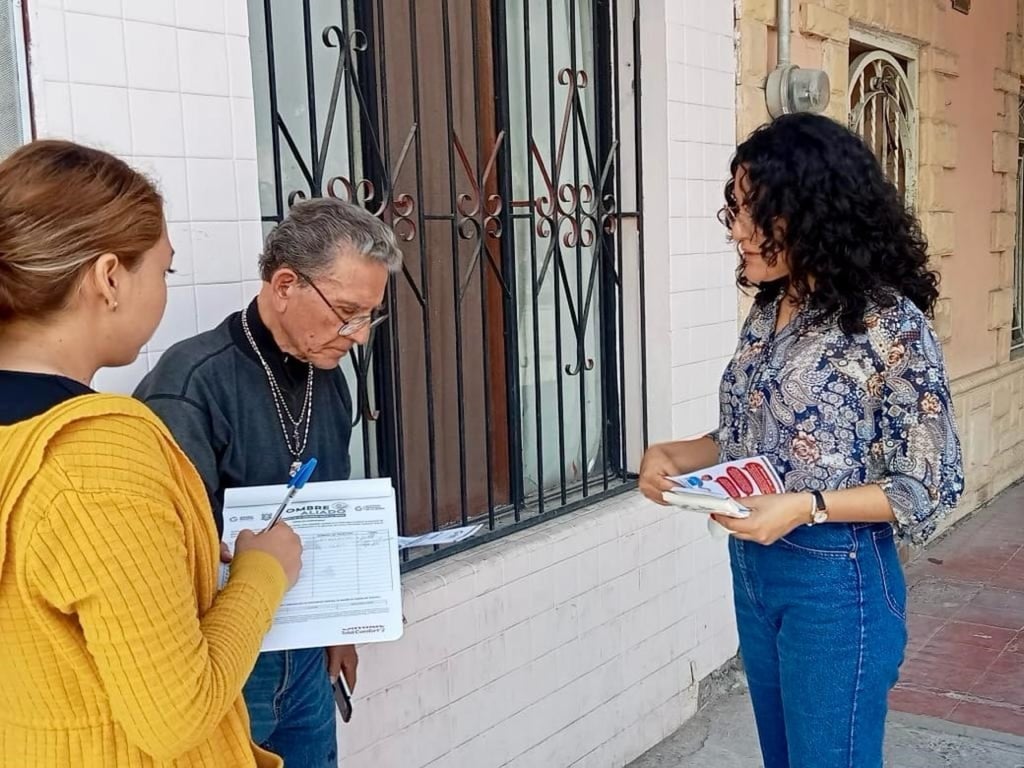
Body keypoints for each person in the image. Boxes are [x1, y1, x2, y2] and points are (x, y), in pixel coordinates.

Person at [639, 113, 964, 768]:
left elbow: (929, 481)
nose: (737, 229)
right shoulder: (771, 308)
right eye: (735, 208)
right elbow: (761, 434)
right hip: (754, 570)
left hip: (835, 579)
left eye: (755, 210)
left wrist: (806, 507)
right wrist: (678, 454)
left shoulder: (889, 324)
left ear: (813, 211)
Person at [0, 140, 304, 767]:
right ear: (109, 278)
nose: (165, 289)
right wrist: (262, 572)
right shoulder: (93, 457)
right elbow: (176, 716)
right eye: (164, 270)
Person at [135, 197, 402, 766]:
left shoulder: (326, 371)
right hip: (226, 656)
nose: (358, 336)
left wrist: (339, 625)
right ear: (285, 285)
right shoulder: (191, 383)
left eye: (369, 317)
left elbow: (329, 502)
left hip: (304, 651)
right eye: (347, 312)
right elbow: (168, 556)